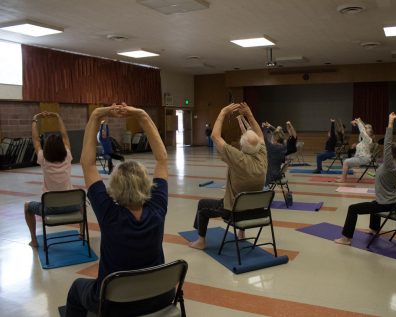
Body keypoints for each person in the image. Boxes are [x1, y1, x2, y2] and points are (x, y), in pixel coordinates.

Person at [66, 103, 173, 316]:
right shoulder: (157, 209)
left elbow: (87, 165)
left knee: (77, 288)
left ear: (113, 188)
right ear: (146, 185)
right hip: (159, 297)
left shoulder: (109, 214)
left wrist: (96, 115)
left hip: (114, 304)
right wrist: (142, 114)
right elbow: (162, 158)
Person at [189, 102, 267, 250]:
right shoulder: (263, 156)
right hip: (255, 211)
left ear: (242, 146)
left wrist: (223, 113)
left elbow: (215, 136)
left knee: (202, 205)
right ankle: (241, 234)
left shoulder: (238, 158)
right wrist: (249, 114)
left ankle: (200, 241)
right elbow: (260, 135)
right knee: (244, 195)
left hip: (233, 212)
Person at [334, 112, 396, 245]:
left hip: (386, 204)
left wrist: (390, 123)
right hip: (395, 202)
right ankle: (374, 229)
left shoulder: (389, 165)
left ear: (389, 153)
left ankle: (346, 238)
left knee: (352, 209)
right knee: (375, 203)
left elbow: (389, 143)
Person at [24, 111, 75, 247]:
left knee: (27, 206)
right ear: (62, 147)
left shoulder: (43, 158)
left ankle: (34, 241)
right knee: (82, 202)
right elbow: (64, 135)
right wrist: (58, 117)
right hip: (72, 205)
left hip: (50, 209)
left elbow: (35, 140)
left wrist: (35, 119)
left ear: (46, 148)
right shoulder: (68, 156)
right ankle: (82, 235)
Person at [336, 118, 374, 182]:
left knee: (346, 162)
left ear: (369, 133)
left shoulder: (368, 139)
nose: (365, 130)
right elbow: (363, 130)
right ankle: (343, 176)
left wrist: (358, 122)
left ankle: (343, 179)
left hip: (363, 159)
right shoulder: (364, 139)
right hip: (361, 157)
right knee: (347, 162)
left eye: (366, 129)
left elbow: (362, 131)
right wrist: (357, 122)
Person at [262, 122, 287, 186]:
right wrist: (270, 127)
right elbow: (280, 134)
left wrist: (265, 128)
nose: (271, 138)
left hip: (270, 176)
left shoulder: (272, 148)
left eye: (272, 137)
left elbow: (264, 138)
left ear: (275, 139)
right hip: (278, 174)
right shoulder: (284, 146)